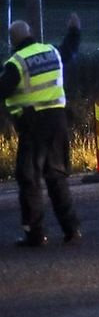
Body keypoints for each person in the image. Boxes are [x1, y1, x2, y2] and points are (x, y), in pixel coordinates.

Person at [3, 14, 82, 247]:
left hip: (34, 123)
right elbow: (70, 51)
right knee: (57, 176)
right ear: (31, 34)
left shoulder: (17, 62)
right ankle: (72, 228)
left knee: (29, 178)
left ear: (12, 41)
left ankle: (35, 233)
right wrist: (75, 30)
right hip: (58, 121)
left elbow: (3, 89)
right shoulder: (52, 52)